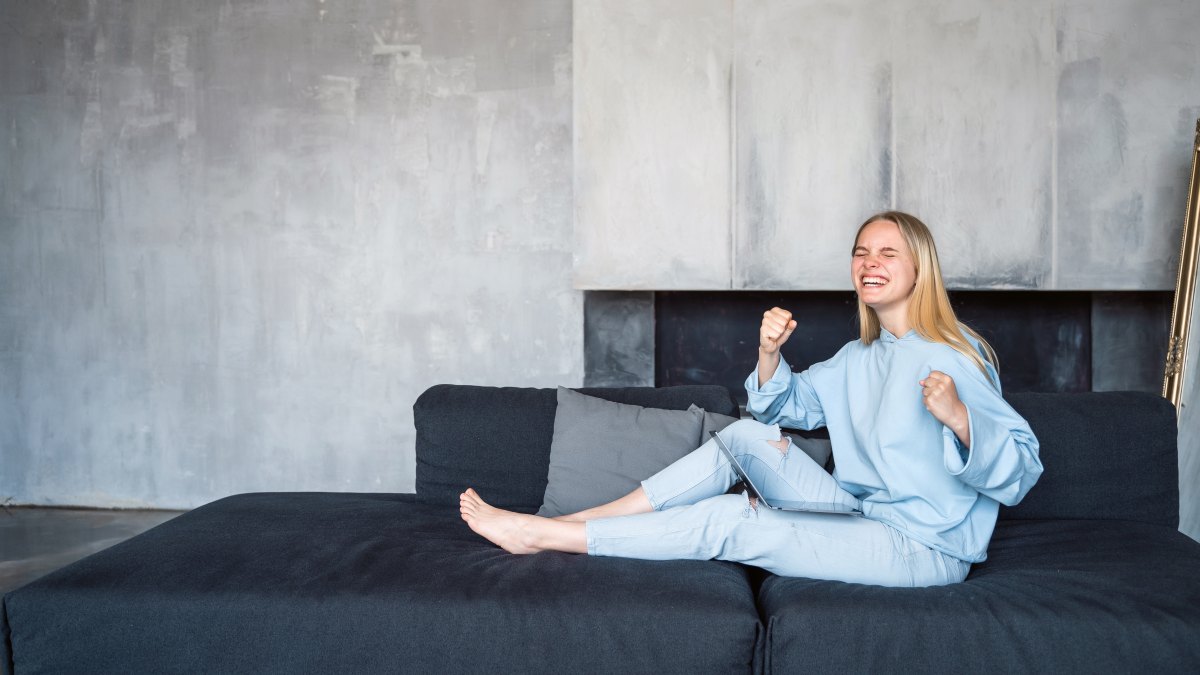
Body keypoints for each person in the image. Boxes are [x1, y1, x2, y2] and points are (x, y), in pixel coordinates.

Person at [460, 211, 1043, 587]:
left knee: (732, 521)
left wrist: (961, 420)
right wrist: (769, 353)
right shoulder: (859, 356)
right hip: (860, 512)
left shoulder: (953, 354)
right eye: (862, 252)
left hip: (923, 547)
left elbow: (1020, 473)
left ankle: (547, 534)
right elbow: (780, 410)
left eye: (888, 253)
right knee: (739, 437)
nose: (870, 263)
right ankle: (587, 518)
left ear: (921, 266)